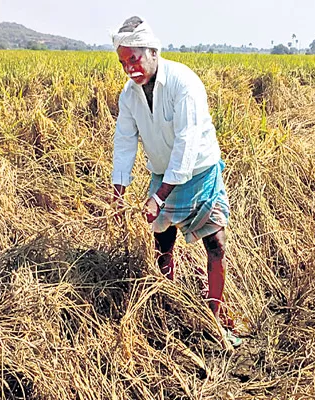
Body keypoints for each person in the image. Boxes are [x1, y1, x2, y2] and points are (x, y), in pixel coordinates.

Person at [111, 16, 241, 347]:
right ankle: (170, 297)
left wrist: (159, 196)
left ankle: (215, 312)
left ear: (153, 52)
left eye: (134, 59)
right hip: (162, 174)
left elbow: (187, 143)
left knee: (216, 244)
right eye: (124, 61)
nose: (130, 68)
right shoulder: (129, 96)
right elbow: (125, 141)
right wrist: (118, 190)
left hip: (199, 171)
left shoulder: (184, 84)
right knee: (162, 243)